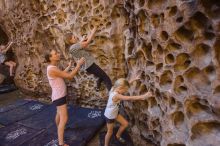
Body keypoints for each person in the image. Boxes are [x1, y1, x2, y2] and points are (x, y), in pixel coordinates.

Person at [45, 49, 85, 146]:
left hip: (58, 96)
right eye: (55, 53)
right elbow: (69, 76)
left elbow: (61, 74)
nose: (58, 54)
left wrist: (69, 66)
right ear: (50, 58)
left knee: (59, 114)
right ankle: (61, 143)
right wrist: (78, 65)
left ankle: (59, 128)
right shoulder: (52, 69)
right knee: (64, 118)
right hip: (59, 97)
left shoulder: (52, 67)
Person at [104, 78, 153, 146]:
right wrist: (143, 96)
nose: (125, 91)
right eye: (125, 90)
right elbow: (129, 98)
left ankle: (118, 135)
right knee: (110, 132)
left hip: (115, 113)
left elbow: (124, 84)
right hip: (110, 116)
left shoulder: (114, 88)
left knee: (125, 124)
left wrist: (134, 78)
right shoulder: (116, 95)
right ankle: (106, 145)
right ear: (120, 88)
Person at [65, 26, 112, 91]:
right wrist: (94, 30)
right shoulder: (74, 47)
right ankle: (113, 96)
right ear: (70, 40)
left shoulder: (72, 48)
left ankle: (97, 87)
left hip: (88, 67)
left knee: (101, 75)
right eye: (74, 37)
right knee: (106, 78)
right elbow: (87, 42)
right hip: (90, 65)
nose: (76, 37)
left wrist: (83, 39)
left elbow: (80, 45)